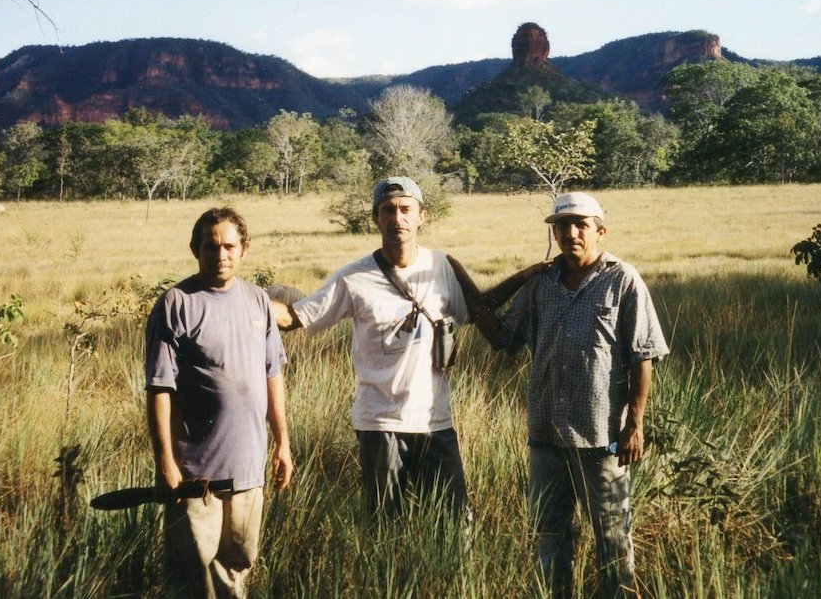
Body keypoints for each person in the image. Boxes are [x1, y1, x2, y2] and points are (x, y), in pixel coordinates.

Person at [272, 176, 540, 519]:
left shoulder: (441, 266)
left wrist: (525, 276)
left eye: (405, 209)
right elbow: (296, 317)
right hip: (380, 423)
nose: (397, 218)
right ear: (376, 219)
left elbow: (479, 309)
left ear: (421, 216)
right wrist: (241, 300)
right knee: (385, 523)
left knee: (453, 522)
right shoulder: (353, 278)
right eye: (388, 210)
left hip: (434, 421)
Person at [500, 192, 669, 598]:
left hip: (601, 437)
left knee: (612, 538)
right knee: (550, 537)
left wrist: (635, 424)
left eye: (581, 225)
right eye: (562, 226)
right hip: (546, 435)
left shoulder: (622, 279)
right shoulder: (541, 283)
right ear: (555, 233)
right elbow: (505, 337)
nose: (571, 233)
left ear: (600, 231)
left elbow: (642, 354)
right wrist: (507, 281)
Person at [145, 206, 293, 599]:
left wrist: (283, 444)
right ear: (196, 249)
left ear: (245, 249)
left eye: (229, 246)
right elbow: (160, 388)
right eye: (211, 247)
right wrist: (165, 461)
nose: (221, 255)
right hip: (196, 476)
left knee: (235, 568)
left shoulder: (258, 301)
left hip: (248, 470)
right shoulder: (176, 303)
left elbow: (272, 374)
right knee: (191, 577)